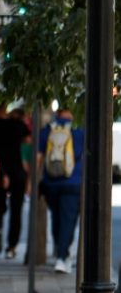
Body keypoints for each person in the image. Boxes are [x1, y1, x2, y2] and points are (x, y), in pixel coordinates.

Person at [38, 109, 84, 274]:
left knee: (56, 218)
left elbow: (39, 156)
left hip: (51, 182)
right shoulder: (79, 129)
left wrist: (35, 180)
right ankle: (63, 257)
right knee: (68, 220)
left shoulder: (47, 130)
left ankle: (60, 250)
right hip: (73, 181)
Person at [0, 101, 31, 257]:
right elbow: (28, 139)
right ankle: (11, 247)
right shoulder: (17, 125)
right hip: (17, 171)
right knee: (16, 210)